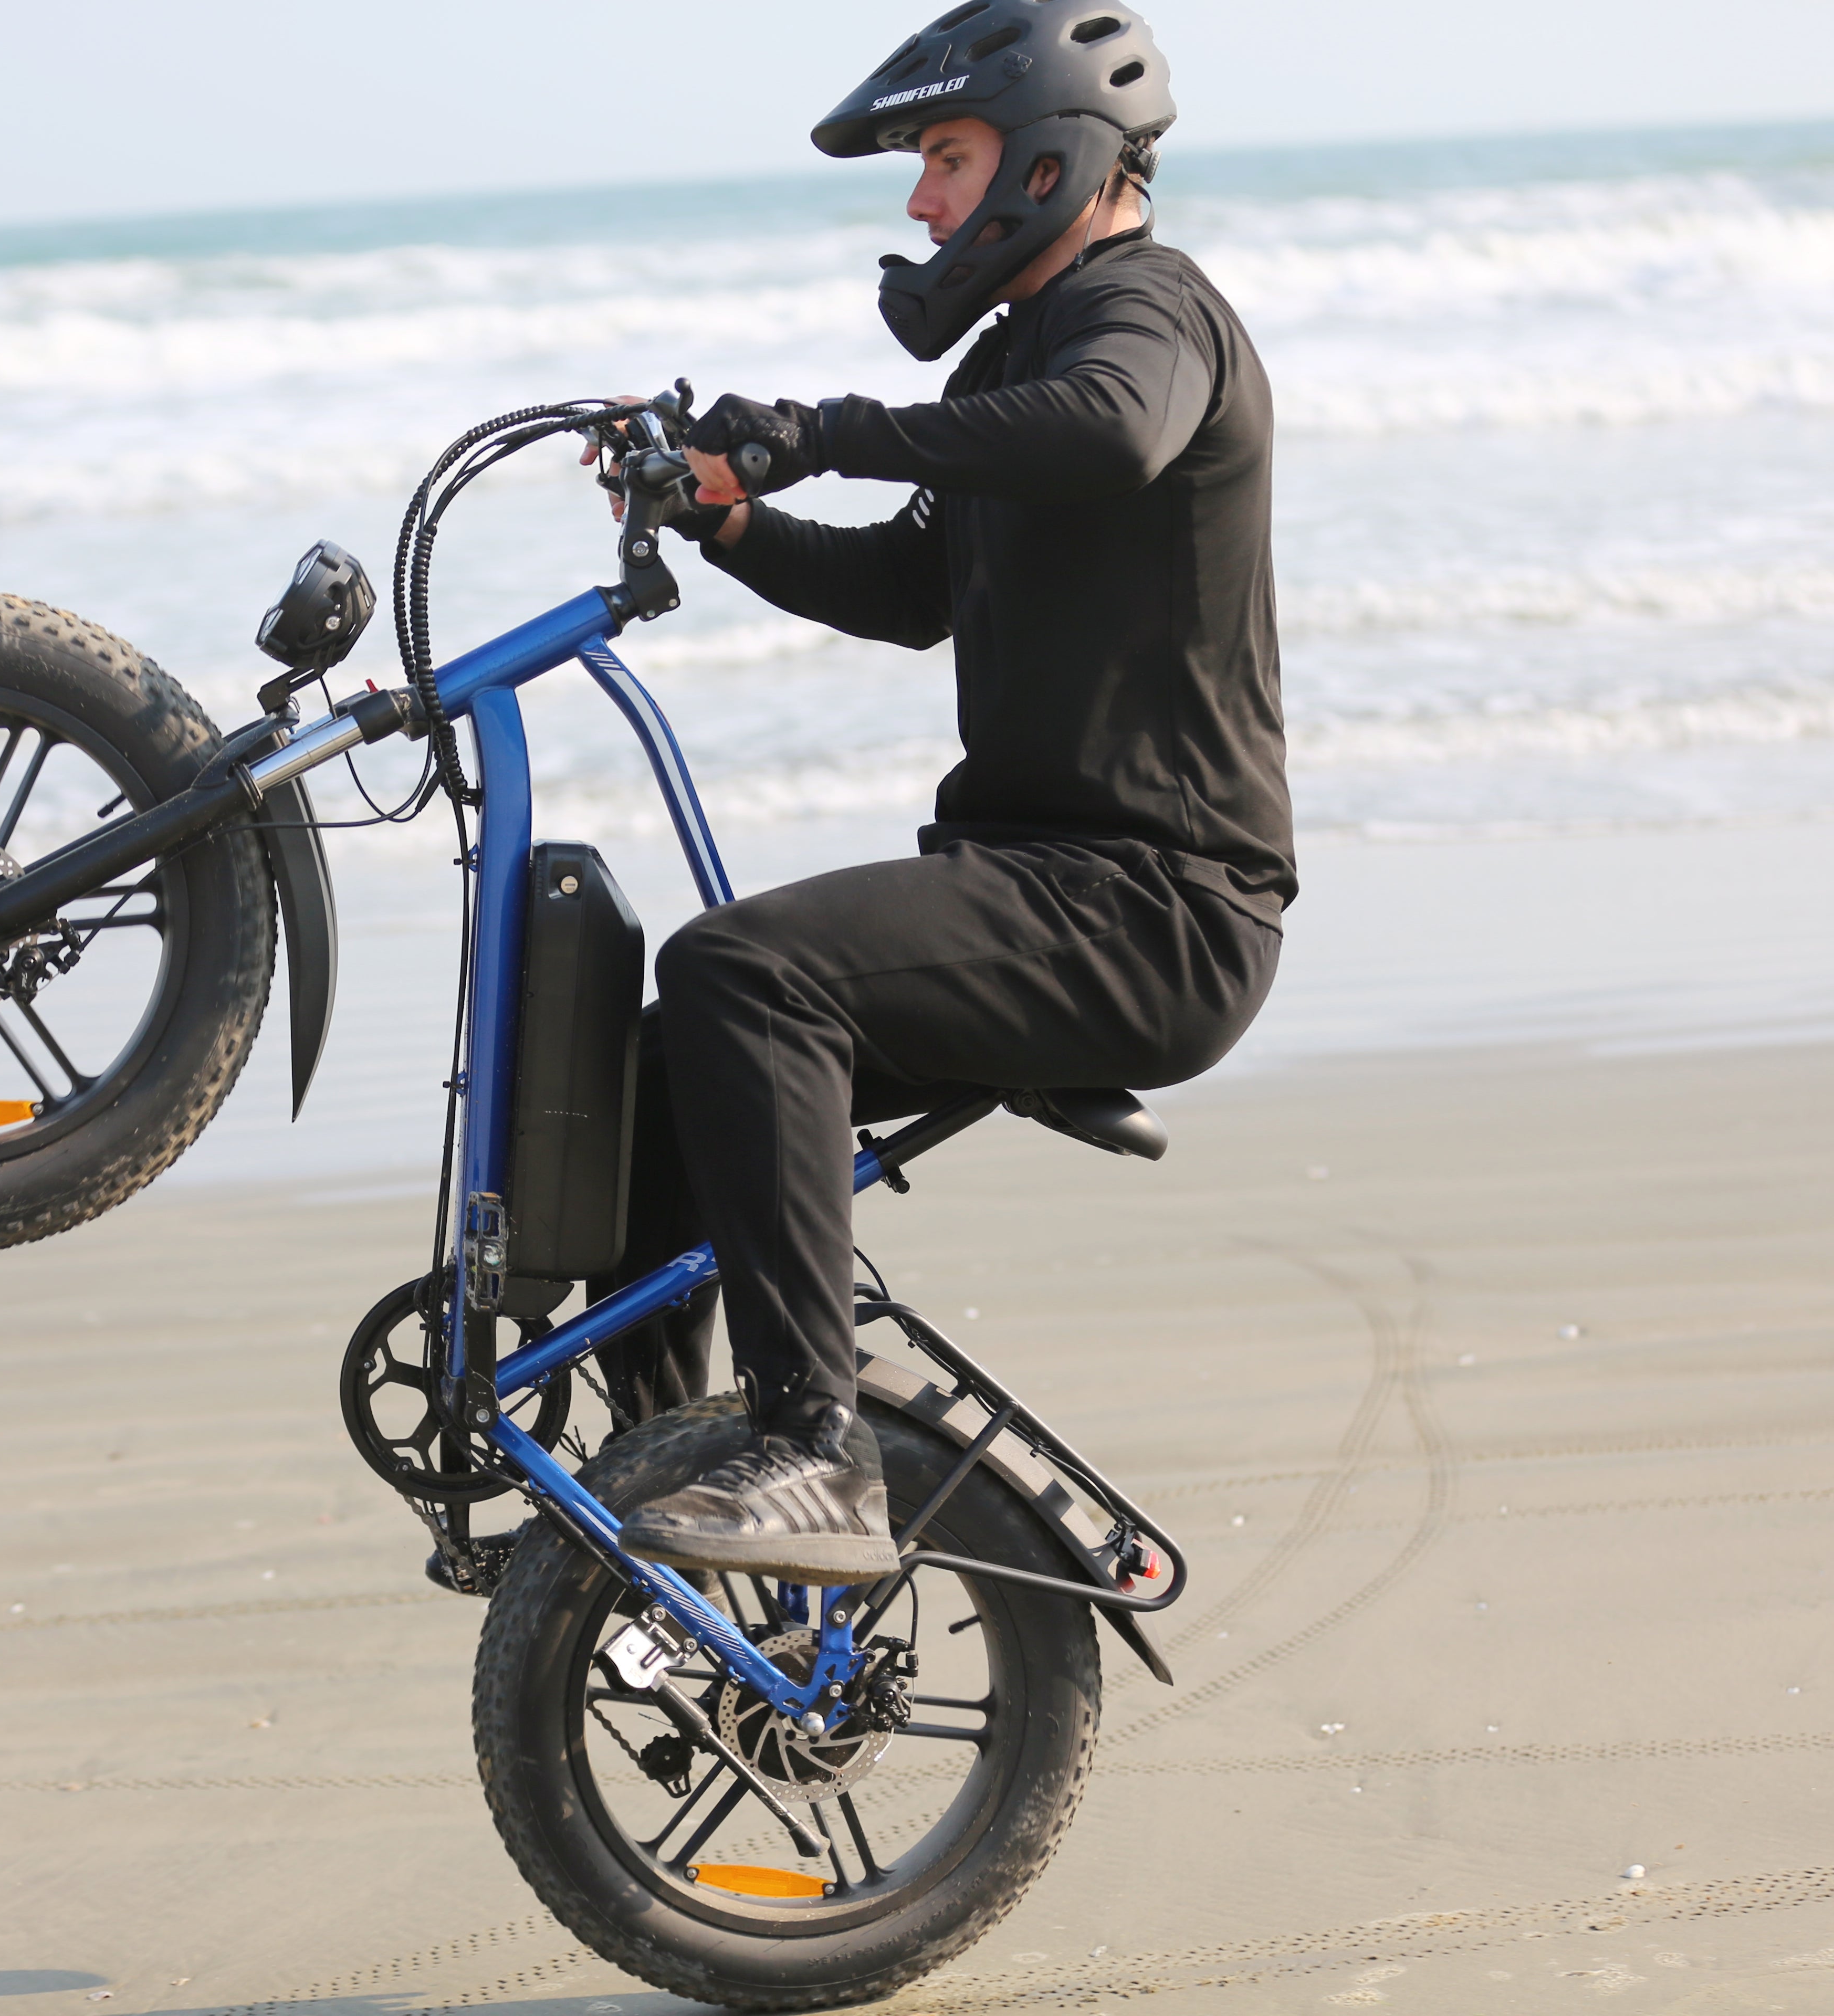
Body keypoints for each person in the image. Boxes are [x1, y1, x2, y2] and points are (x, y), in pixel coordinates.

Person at [444, 0, 1294, 1590]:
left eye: (946, 161)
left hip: (1153, 908)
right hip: (1043, 884)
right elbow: (915, 589)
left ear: (1052, 164)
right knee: (652, 1087)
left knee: (743, 972)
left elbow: (1114, 437)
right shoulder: (1017, 358)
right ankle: (664, 1481)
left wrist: (825, 431)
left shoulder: (1151, 314)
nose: (920, 203)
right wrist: (724, 519)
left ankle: (816, 1455)